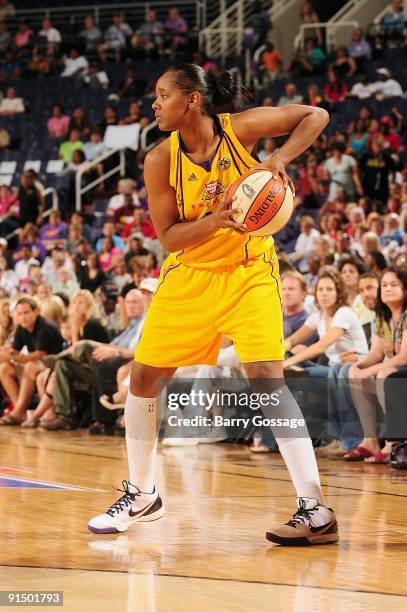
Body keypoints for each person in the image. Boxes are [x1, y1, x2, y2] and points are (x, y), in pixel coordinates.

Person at [87, 63, 339, 546]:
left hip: (250, 272)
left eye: (163, 95)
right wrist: (219, 220)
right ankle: (142, 494)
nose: (154, 104)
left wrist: (279, 161)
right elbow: (168, 237)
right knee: (142, 378)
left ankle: (315, 511)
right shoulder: (160, 159)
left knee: (269, 384)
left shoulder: (238, 129)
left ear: (193, 101)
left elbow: (316, 115)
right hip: (192, 275)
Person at [346, 267, 407, 463]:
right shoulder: (382, 316)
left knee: (384, 375)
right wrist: (361, 366)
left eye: (394, 284)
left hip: (401, 370)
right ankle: (370, 440)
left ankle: (392, 443)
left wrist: (373, 370)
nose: (388, 288)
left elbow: (404, 357)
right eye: (384, 285)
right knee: (355, 374)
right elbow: (376, 353)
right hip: (397, 372)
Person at [284, 267, 368, 376]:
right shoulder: (318, 315)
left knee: (295, 372)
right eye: (320, 289)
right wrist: (277, 355)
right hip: (330, 368)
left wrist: (286, 363)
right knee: (287, 354)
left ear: (338, 293)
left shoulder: (344, 313)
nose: (324, 294)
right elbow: (292, 340)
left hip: (348, 369)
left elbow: (320, 347)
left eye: (329, 289)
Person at [0, 297, 64, 425]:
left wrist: (12, 357)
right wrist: (5, 352)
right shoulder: (22, 327)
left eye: (26, 312)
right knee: (4, 368)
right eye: (19, 313)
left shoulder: (45, 327)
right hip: (37, 364)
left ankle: (18, 411)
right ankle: (19, 411)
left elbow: (40, 354)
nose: (23, 317)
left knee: (29, 366)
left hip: (54, 364)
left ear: (37, 312)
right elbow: (15, 350)